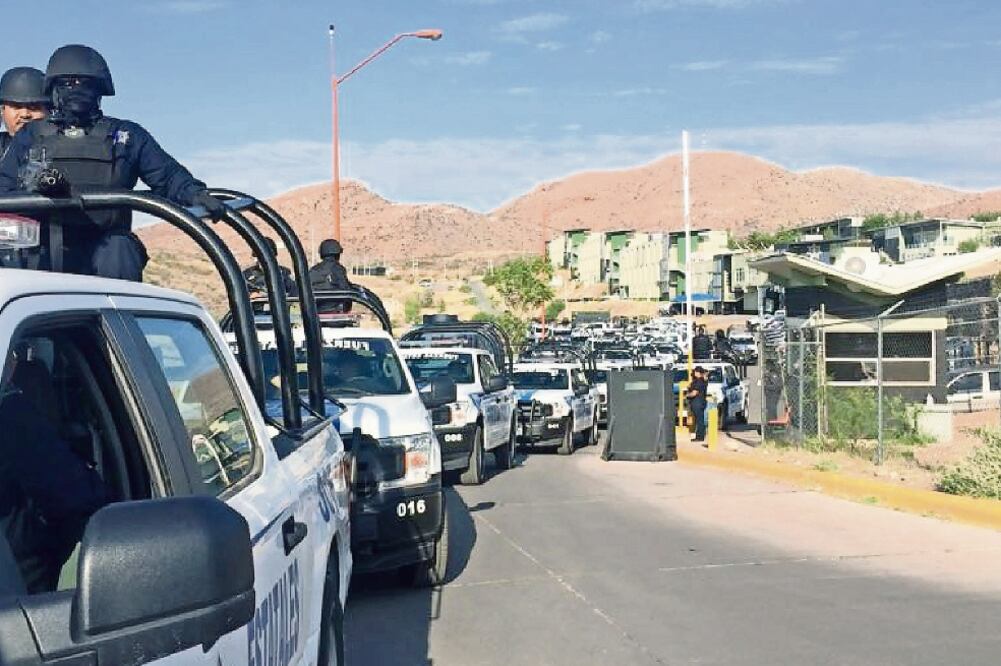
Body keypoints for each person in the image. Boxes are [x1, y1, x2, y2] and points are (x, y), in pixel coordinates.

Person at [0, 44, 225, 282]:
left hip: (106, 244)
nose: (76, 90)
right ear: (54, 88)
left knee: (119, 252)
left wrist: (196, 194)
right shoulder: (31, 136)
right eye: (68, 83)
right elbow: (5, 190)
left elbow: (168, 177)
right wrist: (38, 188)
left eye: (84, 84)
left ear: (99, 90)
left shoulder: (125, 136)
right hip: (41, 250)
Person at [0, 343, 109, 593]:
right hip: (23, 601)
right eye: (12, 355)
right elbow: (82, 499)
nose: (15, 363)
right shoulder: (14, 418)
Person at [0, 67, 49, 269]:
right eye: (16, 106)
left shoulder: (63, 149)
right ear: (2, 110)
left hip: (49, 250)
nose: (25, 114)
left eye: (34, 106)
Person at [686, 366, 709, 442]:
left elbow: (694, 393)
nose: (694, 373)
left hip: (697, 402)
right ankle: (700, 436)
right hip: (700, 402)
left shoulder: (699, 382)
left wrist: (687, 395)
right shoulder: (703, 381)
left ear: (698, 373)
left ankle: (700, 437)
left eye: (695, 372)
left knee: (699, 420)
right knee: (700, 420)